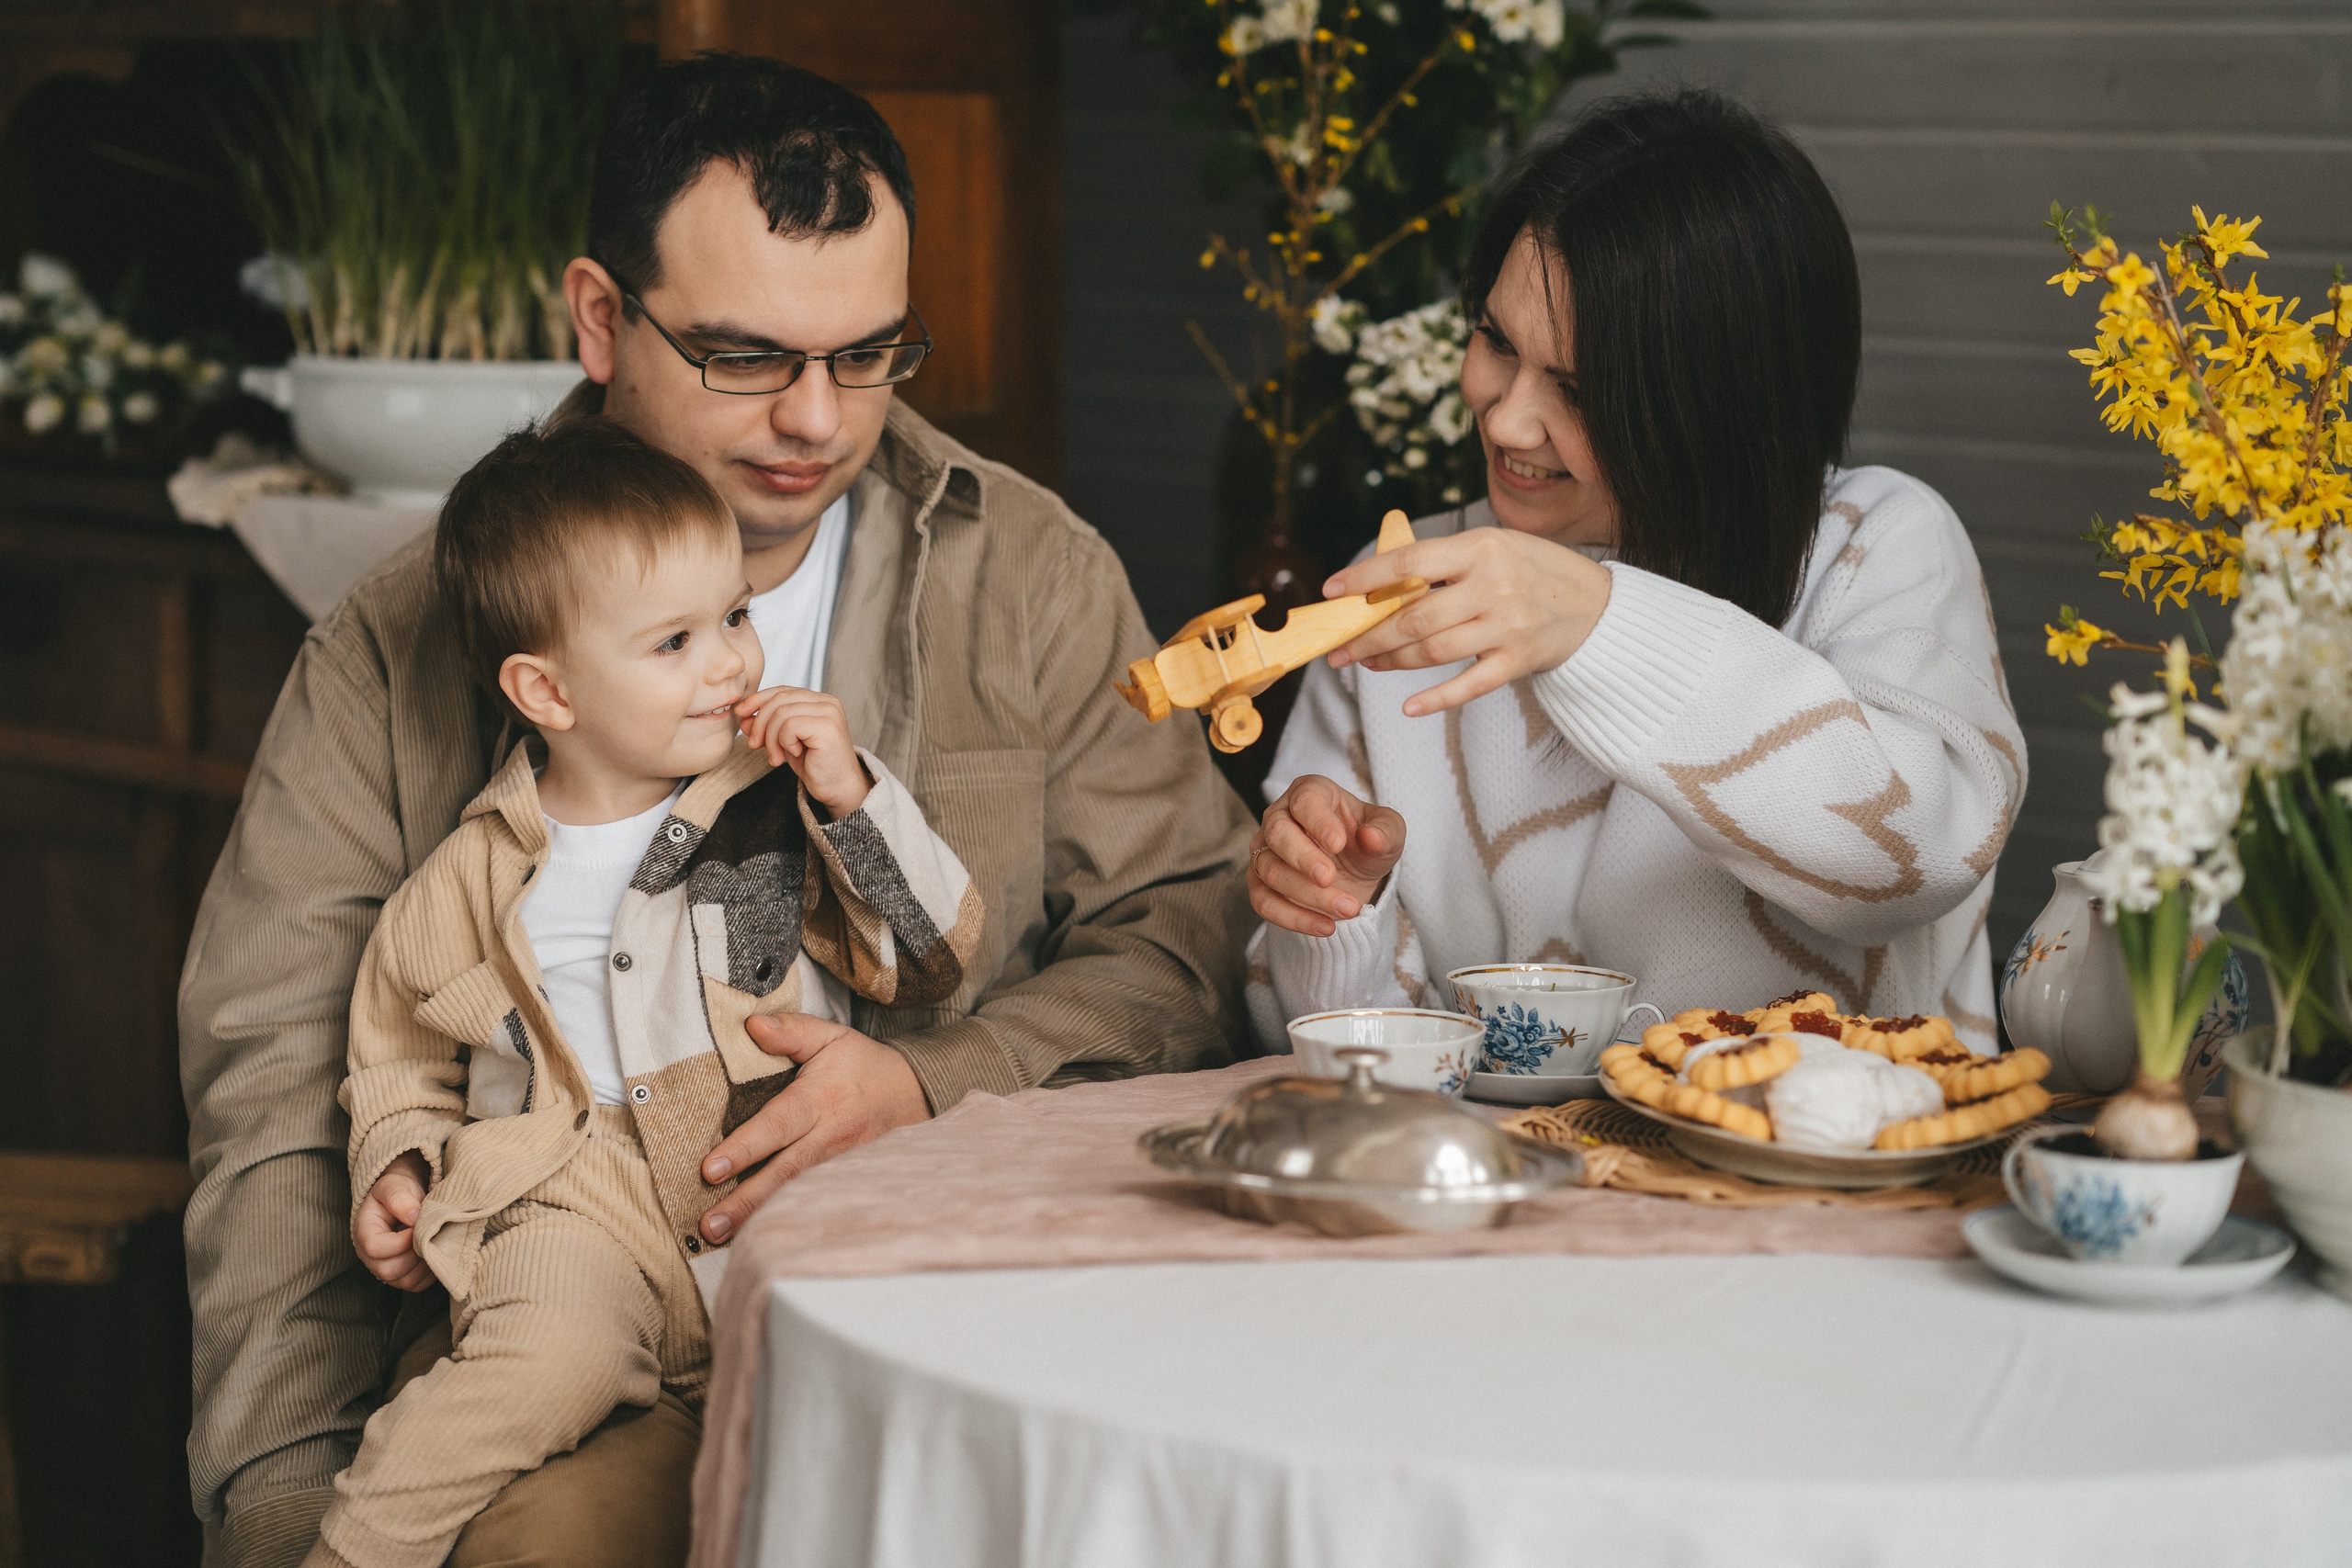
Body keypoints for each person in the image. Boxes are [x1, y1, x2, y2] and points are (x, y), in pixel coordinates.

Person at [181, 56, 1254, 1568]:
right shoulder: (399, 633)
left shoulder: (1033, 574)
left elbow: (1194, 926)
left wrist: (929, 1085)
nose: (817, 420)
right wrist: (284, 1522)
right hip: (582, 1338)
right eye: (746, 357)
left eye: (868, 352)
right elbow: (278, 1087)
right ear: (602, 319)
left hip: (979, 1315)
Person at [311, 417, 980, 1568]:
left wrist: (852, 795)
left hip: (768, 1187)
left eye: (733, 616)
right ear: (548, 691)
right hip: (564, 1194)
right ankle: (352, 1551)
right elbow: (393, 1048)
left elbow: (923, 961)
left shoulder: (775, 811)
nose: (729, 661)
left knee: (918, 1353)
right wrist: (403, 1156)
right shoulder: (471, 876)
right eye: (674, 642)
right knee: (542, 1360)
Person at [1244, 89, 2025, 1048]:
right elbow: (1327, 1042)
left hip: (1825, 1186)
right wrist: (1337, 910)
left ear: (1716, 400)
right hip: (1502, 1183)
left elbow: (1920, 858)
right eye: (1495, 341)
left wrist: (1598, 623)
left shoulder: (1873, 542)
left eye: (1576, 388)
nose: (1504, 420)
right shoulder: (1405, 589)